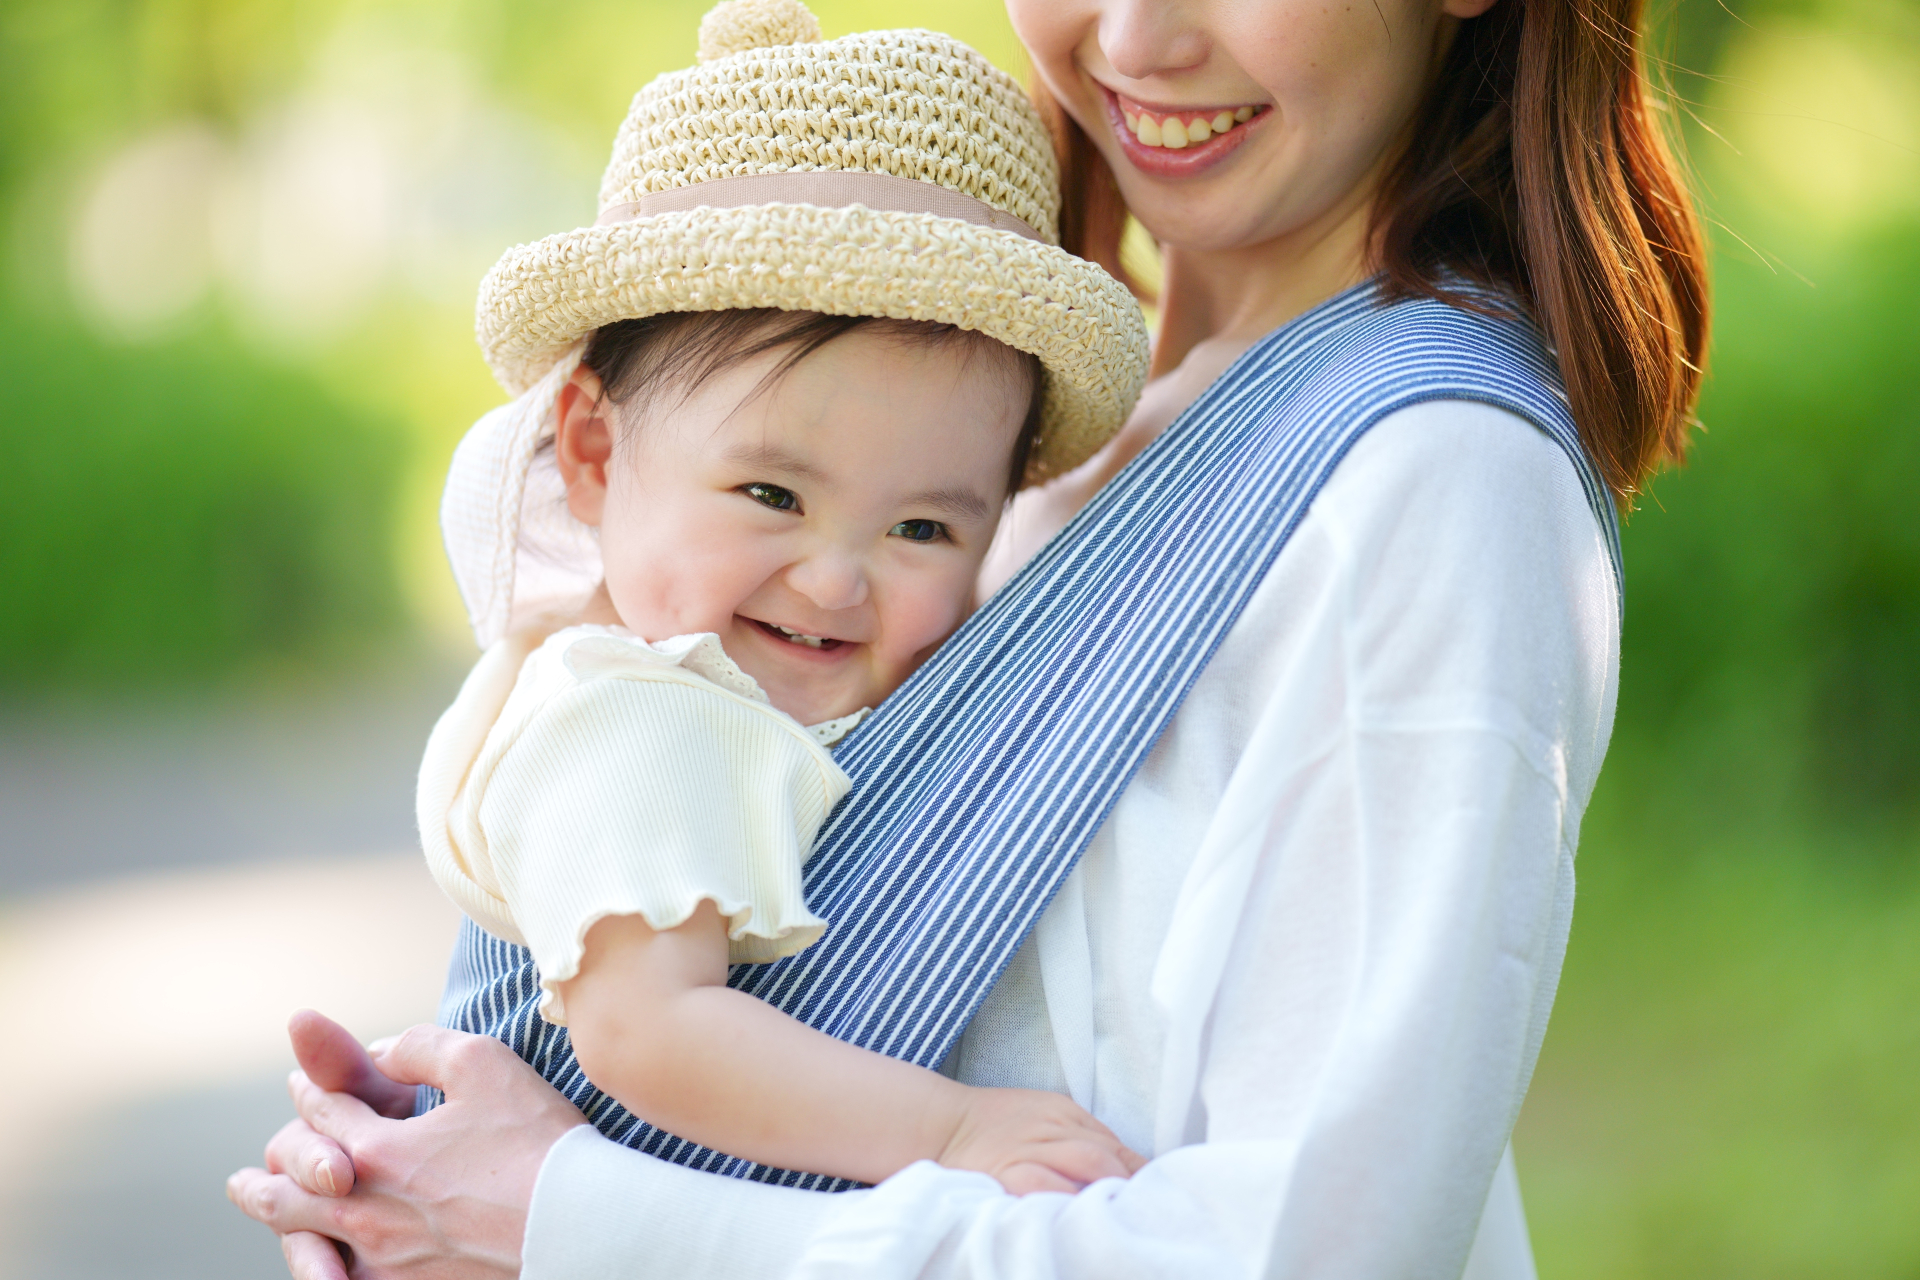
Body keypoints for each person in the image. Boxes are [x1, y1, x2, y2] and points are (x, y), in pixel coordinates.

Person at [228, 0, 1708, 1271]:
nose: (1134, 39)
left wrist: (562, 1218)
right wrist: (427, 1162)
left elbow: (1306, 1254)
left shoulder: (1429, 482)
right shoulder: (996, 444)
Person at [402, 1, 1151, 1198]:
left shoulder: (718, 695)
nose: (836, 576)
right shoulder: (636, 717)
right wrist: (952, 1130)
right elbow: (650, 1032)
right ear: (593, 451)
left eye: (923, 526)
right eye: (770, 492)